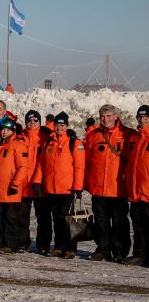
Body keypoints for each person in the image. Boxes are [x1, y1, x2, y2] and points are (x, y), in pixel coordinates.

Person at [84, 104, 134, 262]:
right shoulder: (93, 135)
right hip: (99, 187)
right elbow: (86, 161)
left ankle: (120, 252)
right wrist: (86, 183)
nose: (105, 120)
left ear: (115, 116)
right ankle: (103, 249)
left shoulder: (127, 134)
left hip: (119, 188)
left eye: (108, 116)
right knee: (101, 222)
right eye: (102, 117)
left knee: (120, 222)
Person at [32, 112, 84, 259]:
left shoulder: (75, 143)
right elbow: (41, 165)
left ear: (67, 126)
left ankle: (70, 248)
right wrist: (37, 181)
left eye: (62, 125)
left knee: (67, 220)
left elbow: (80, 167)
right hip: (51, 188)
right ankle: (59, 246)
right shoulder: (48, 142)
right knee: (57, 219)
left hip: (67, 189)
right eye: (57, 125)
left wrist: (78, 187)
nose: (59, 128)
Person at [0, 118, 28, 253]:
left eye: (8, 130)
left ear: (13, 131)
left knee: (10, 219)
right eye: (3, 129)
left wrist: (15, 184)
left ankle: (9, 245)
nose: (4, 132)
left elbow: (23, 167)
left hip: (10, 191)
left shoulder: (18, 145)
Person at [19, 110, 52, 254]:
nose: (32, 123)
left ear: (40, 122)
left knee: (43, 218)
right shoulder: (20, 137)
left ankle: (43, 244)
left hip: (40, 185)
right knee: (22, 217)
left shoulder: (46, 137)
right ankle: (22, 242)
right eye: (29, 121)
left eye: (35, 121)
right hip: (23, 185)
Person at [123, 104, 149, 266]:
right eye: (140, 117)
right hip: (135, 191)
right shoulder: (134, 137)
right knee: (138, 227)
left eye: (146, 117)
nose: (142, 120)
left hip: (148, 191)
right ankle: (139, 254)